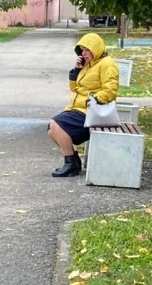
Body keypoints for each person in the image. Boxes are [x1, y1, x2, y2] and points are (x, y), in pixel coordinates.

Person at [48, 33, 119, 177]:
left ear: (96, 48)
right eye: (82, 50)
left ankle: (70, 164)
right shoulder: (89, 65)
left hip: (92, 111)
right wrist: (77, 71)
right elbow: (74, 88)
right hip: (80, 108)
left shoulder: (107, 63)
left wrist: (93, 99)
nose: (84, 53)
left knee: (55, 124)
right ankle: (73, 161)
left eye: (87, 50)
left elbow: (111, 90)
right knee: (51, 130)